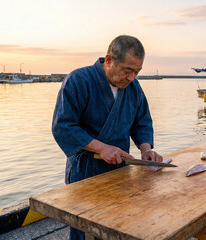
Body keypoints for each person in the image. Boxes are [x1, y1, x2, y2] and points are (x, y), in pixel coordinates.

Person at [52, 35, 162, 240]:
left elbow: (142, 121)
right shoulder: (78, 80)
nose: (131, 78)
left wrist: (146, 150)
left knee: (119, 224)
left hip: (120, 170)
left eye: (137, 72)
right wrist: (101, 148)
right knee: (85, 229)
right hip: (86, 171)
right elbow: (63, 126)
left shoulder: (134, 88)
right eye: (127, 70)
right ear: (109, 60)